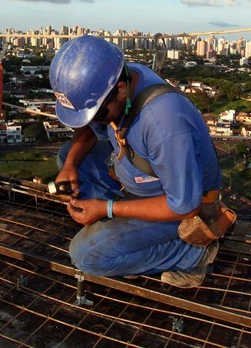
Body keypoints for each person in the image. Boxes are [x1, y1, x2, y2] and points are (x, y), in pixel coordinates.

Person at [49, 35, 225, 288]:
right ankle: (121, 231)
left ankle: (192, 254)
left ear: (120, 89)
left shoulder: (165, 122)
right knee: (70, 156)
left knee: (86, 256)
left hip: (179, 205)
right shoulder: (125, 77)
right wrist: (69, 168)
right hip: (135, 178)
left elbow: (185, 206)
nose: (96, 121)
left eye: (97, 114)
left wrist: (106, 209)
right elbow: (89, 128)